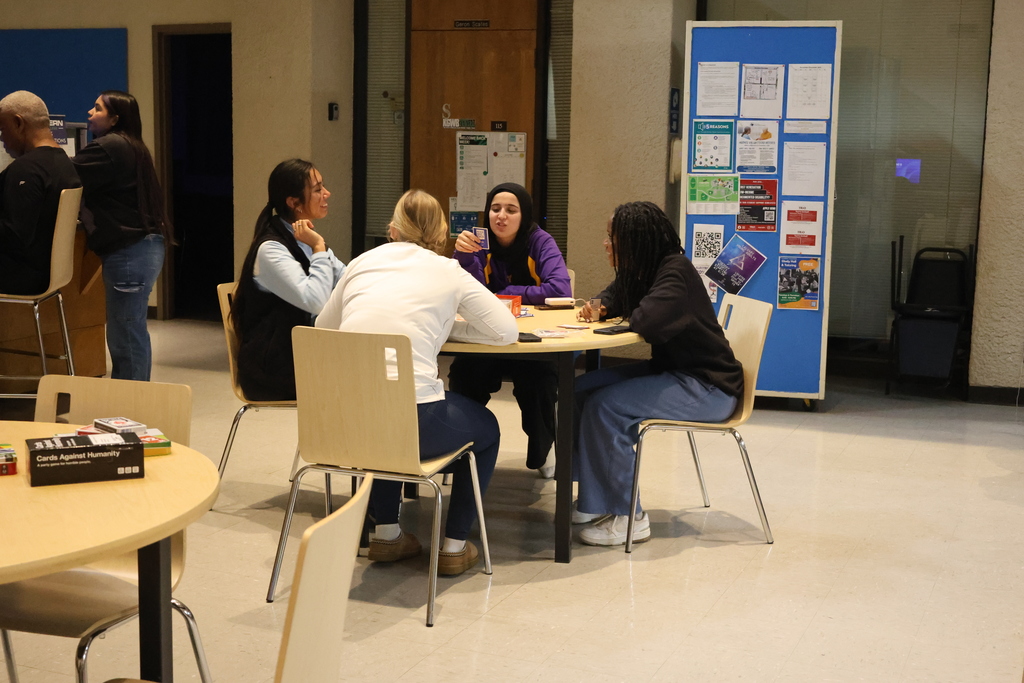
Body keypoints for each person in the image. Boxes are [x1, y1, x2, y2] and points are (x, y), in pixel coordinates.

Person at [316, 189, 517, 576]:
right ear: (441, 235)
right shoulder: (447, 271)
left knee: (385, 414)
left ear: (393, 230)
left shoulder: (361, 263)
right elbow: (505, 330)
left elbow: (323, 330)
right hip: (411, 425)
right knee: (486, 428)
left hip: (344, 426)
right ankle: (454, 546)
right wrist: (446, 333)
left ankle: (387, 535)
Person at [572, 201, 744, 547]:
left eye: (613, 238)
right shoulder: (645, 268)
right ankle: (594, 500)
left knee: (607, 406)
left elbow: (645, 321)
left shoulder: (674, 271)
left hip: (708, 387)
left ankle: (629, 517)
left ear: (635, 240)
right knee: (580, 390)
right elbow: (614, 293)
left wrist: (621, 304)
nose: (607, 245)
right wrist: (604, 303)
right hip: (675, 372)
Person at [449, 182, 571, 477]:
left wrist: (504, 294)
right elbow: (464, 290)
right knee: (464, 374)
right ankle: (460, 449)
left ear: (524, 215)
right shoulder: (476, 242)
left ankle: (543, 451)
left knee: (540, 381)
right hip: (486, 337)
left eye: (511, 210)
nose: (501, 216)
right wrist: (463, 258)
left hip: (530, 340)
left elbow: (560, 287)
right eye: (495, 209)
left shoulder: (539, 241)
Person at [72, 91, 169, 381]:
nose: (90, 112)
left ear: (115, 119)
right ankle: (133, 397)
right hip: (143, 249)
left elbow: (63, 175)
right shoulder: (133, 146)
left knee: (125, 332)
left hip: (129, 252)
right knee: (130, 328)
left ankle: (130, 403)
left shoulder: (108, 146)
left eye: (98, 108)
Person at [231, 159, 345, 401]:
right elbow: (315, 301)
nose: (327, 194)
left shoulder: (303, 239)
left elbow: (347, 278)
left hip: (304, 356)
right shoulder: (271, 249)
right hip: (273, 369)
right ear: (294, 203)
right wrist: (318, 247)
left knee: (368, 371)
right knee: (364, 379)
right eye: (317, 190)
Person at [0, 91, 80, 295]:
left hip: (20, 276)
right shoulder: (65, 163)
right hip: (48, 274)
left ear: (18, 123)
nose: (2, 139)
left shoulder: (26, 169)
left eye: (3, 129)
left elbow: (14, 236)